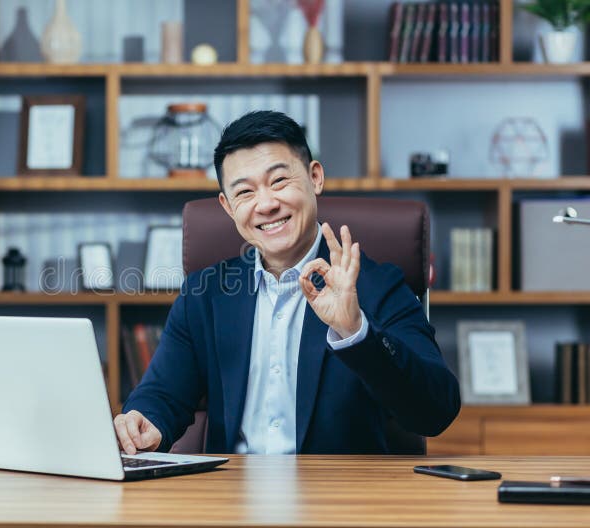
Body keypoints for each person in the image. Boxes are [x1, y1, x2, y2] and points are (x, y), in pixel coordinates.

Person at [115, 110, 460, 455]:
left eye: (279, 181)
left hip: (339, 500)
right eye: (245, 192)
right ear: (228, 207)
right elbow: (162, 393)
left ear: (315, 177)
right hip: (229, 498)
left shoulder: (375, 286)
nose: (266, 204)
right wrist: (144, 421)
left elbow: (436, 411)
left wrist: (355, 330)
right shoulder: (204, 295)